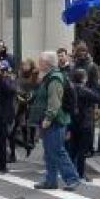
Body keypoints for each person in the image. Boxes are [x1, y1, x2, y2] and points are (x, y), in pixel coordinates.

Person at [29, 51, 81, 190]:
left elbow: (54, 102)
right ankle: (50, 180)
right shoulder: (49, 77)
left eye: (40, 61)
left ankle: (72, 178)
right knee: (50, 152)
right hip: (52, 120)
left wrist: (48, 118)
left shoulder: (54, 79)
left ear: (47, 63)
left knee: (57, 151)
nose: (38, 63)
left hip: (55, 121)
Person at [68, 42, 100, 179]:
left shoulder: (91, 66)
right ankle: (76, 171)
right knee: (76, 144)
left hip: (85, 103)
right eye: (80, 51)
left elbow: (96, 86)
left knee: (79, 143)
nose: (82, 54)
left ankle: (77, 171)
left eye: (84, 51)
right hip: (79, 105)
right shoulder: (74, 66)